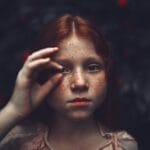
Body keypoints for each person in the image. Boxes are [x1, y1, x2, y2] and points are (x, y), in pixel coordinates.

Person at [0, 14, 138, 150]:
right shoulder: (17, 141)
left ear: (107, 73)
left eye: (92, 67)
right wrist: (14, 109)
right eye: (63, 69)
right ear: (41, 76)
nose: (79, 83)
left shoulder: (122, 146)